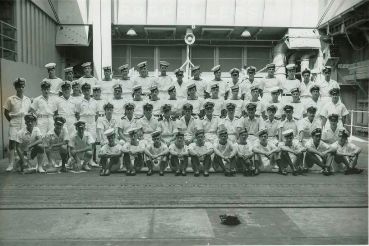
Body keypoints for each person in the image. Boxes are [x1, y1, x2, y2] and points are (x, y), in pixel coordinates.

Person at [3, 78, 32, 172]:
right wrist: (11, 121)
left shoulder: (28, 99)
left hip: (24, 122)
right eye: (19, 86)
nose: (21, 88)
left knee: (23, 143)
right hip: (14, 122)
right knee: (12, 143)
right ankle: (10, 164)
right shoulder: (10, 99)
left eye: (23, 86)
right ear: (16, 87)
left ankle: (22, 162)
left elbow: (29, 111)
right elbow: (6, 112)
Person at [75, 83, 99, 167]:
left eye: (88, 90)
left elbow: (97, 114)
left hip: (92, 121)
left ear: (90, 91)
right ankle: (82, 160)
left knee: (92, 141)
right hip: (83, 121)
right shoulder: (79, 102)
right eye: (85, 90)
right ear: (82, 91)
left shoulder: (95, 102)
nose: (86, 92)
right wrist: (81, 122)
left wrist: (92, 122)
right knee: (83, 140)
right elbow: (77, 114)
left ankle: (91, 160)